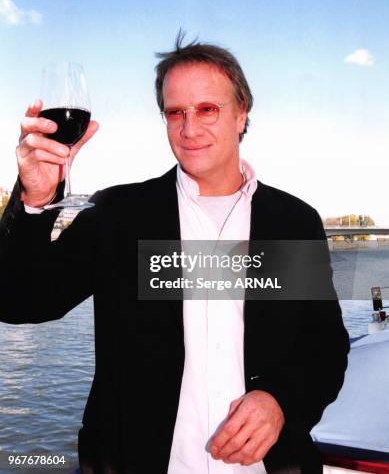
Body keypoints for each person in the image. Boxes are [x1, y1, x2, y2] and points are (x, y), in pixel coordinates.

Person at [0, 33, 349, 474]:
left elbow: (325, 347)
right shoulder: (118, 215)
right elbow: (19, 301)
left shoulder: (293, 222)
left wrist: (280, 400)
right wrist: (34, 203)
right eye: (175, 113)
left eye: (207, 109)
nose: (189, 128)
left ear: (242, 114)